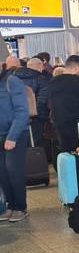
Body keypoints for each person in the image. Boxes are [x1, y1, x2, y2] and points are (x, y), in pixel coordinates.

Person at [47, 55, 79, 152]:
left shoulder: (52, 82)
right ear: (76, 68)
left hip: (59, 122)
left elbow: (49, 102)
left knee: (65, 151)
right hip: (78, 125)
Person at [0, 66, 30, 222]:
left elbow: (22, 111)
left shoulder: (12, 81)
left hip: (15, 134)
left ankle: (20, 207)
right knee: (2, 173)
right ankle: (10, 206)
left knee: (13, 171)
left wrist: (12, 136)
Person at [14, 57, 49, 147]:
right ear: (39, 67)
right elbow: (42, 99)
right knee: (35, 142)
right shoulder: (41, 79)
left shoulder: (13, 77)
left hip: (17, 115)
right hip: (36, 117)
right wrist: (38, 114)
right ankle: (34, 160)